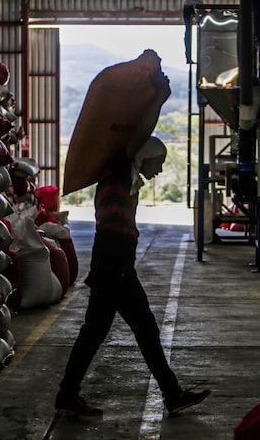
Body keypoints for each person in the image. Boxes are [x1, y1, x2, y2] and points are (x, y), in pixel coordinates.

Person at [55, 137, 211, 416]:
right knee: (140, 331)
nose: (160, 170)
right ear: (144, 156)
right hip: (114, 268)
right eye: (158, 162)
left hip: (115, 266)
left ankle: (68, 393)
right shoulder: (119, 175)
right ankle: (171, 394)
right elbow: (112, 225)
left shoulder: (126, 178)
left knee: (106, 333)